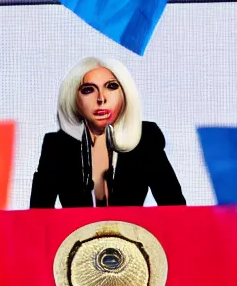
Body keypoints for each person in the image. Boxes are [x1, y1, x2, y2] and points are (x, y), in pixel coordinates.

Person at [30, 57, 186, 208]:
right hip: (77, 235)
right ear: (74, 99)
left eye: (111, 87)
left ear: (125, 94)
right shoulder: (56, 145)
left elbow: (175, 208)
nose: (101, 98)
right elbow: (37, 218)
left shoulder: (146, 137)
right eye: (88, 90)